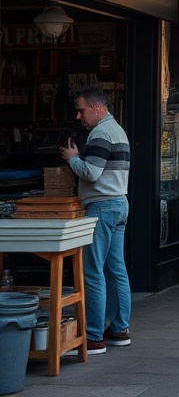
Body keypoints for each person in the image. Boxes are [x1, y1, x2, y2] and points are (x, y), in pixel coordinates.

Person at [60, 88, 132, 354]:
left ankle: (93, 337)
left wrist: (73, 159)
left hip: (102, 206)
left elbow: (91, 173)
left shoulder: (101, 133)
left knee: (93, 273)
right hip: (118, 204)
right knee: (117, 270)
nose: (79, 116)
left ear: (98, 109)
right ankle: (119, 329)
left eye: (82, 110)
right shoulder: (118, 130)